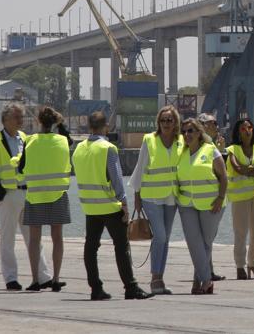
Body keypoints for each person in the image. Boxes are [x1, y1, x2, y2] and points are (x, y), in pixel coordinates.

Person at [74, 111, 153, 301]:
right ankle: (130, 287)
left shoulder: (78, 149)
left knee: (91, 247)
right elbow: (117, 179)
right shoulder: (108, 148)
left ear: (89, 127)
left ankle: (95, 288)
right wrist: (124, 204)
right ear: (106, 127)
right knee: (121, 246)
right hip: (110, 205)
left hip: (89, 206)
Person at [0, 101, 51, 290]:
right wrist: (1, 193)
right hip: (8, 196)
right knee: (8, 239)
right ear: (6, 120)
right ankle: (11, 278)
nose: (21, 120)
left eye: (22, 117)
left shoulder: (25, 139)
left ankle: (43, 276)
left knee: (34, 238)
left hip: (27, 193)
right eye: (17, 117)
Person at [129, 105, 182, 295]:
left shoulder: (180, 142)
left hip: (171, 197)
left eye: (170, 120)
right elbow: (140, 168)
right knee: (159, 236)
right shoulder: (149, 140)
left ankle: (159, 278)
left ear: (175, 122)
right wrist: (136, 196)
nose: (166, 123)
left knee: (165, 238)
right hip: (151, 196)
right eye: (163, 120)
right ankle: (155, 278)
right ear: (158, 123)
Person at [19, 105, 71, 292]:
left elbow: (21, 167)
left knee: (34, 239)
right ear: (54, 121)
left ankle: (35, 280)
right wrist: (61, 123)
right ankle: (56, 278)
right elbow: (69, 138)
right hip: (57, 194)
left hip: (35, 195)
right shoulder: (62, 141)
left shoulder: (30, 141)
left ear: (38, 122)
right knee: (57, 237)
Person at [176, 117, 227, 294]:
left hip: (211, 204)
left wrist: (220, 198)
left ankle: (199, 282)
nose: (186, 135)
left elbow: (224, 177)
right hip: (187, 204)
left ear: (199, 133)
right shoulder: (180, 153)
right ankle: (206, 280)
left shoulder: (210, 150)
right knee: (193, 243)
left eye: (190, 131)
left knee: (205, 243)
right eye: (184, 132)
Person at [226, 117, 254, 280]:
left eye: (249, 128)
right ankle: (240, 266)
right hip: (240, 197)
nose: (247, 131)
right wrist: (252, 169)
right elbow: (237, 168)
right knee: (240, 232)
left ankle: (253, 264)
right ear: (238, 132)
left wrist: (250, 169)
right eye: (243, 129)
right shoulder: (232, 150)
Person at [197, 112, 228, 281]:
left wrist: (222, 150)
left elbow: (222, 171)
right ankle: (205, 271)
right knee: (205, 238)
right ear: (203, 126)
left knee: (209, 237)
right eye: (212, 123)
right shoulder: (200, 146)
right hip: (207, 200)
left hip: (216, 199)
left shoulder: (213, 145)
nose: (216, 126)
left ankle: (208, 269)